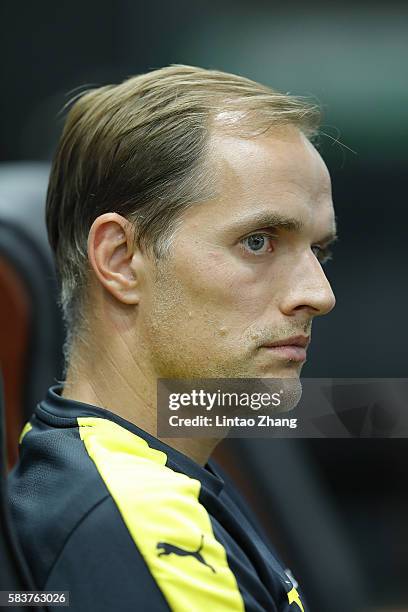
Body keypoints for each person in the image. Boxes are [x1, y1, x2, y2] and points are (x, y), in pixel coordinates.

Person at [8, 64, 336, 611]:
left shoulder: (158, 476)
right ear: (119, 260)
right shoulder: (141, 517)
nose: (319, 294)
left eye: (318, 251)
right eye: (258, 241)